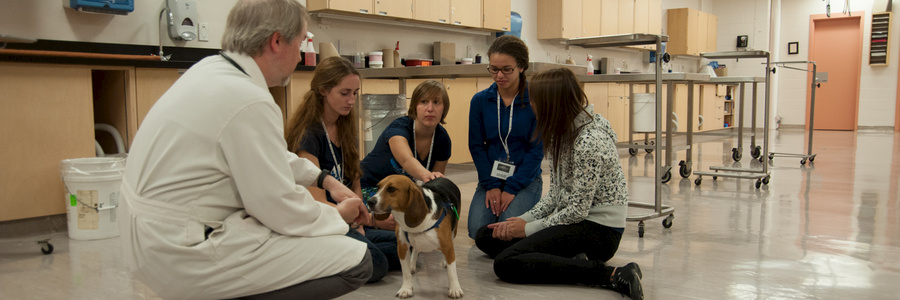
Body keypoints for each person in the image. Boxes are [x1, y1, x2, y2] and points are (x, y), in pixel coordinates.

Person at [118, 1, 372, 299]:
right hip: (181, 251)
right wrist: (337, 217)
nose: (302, 53)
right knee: (357, 259)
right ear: (277, 41)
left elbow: (267, 154)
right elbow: (280, 209)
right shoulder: (248, 98)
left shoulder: (211, 72)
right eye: (301, 42)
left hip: (149, 238)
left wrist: (324, 179)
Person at [473, 68, 643, 300]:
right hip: (575, 220)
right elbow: (555, 195)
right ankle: (568, 260)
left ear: (551, 103)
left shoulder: (588, 141)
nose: (531, 105)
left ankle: (613, 275)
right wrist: (525, 220)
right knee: (486, 236)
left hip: (599, 231)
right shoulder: (560, 133)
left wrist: (528, 229)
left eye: (535, 100)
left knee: (506, 263)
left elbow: (577, 211)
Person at [284, 56, 399, 283]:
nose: (351, 100)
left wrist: (362, 221)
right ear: (323, 90)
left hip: (350, 220)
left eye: (355, 93)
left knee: (408, 244)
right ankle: (319, 256)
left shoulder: (345, 125)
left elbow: (354, 183)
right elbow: (317, 202)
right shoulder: (309, 134)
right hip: (325, 222)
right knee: (377, 264)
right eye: (344, 93)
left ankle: (344, 253)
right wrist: (364, 222)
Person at [467, 35, 544, 240]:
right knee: (478, 231)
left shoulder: (536, 99)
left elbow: (536, 150)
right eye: (493, 69)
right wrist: (491, 185)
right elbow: (476, 146)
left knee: (508, 231)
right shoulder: (480, 101)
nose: (499, 75)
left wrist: (512, 188)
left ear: (521, 67)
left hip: (525, 178)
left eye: (506, 69)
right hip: (491, 176)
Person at [360, 80, 452, 193]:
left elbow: (434, 185)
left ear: (444, 108)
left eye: (436, 102)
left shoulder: (443, 139)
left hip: (400, 193)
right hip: (368, 186)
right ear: (414, 106)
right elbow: (406, 160)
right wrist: (427, 175)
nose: (430, 109)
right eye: (424, 101)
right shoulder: (398, 128)